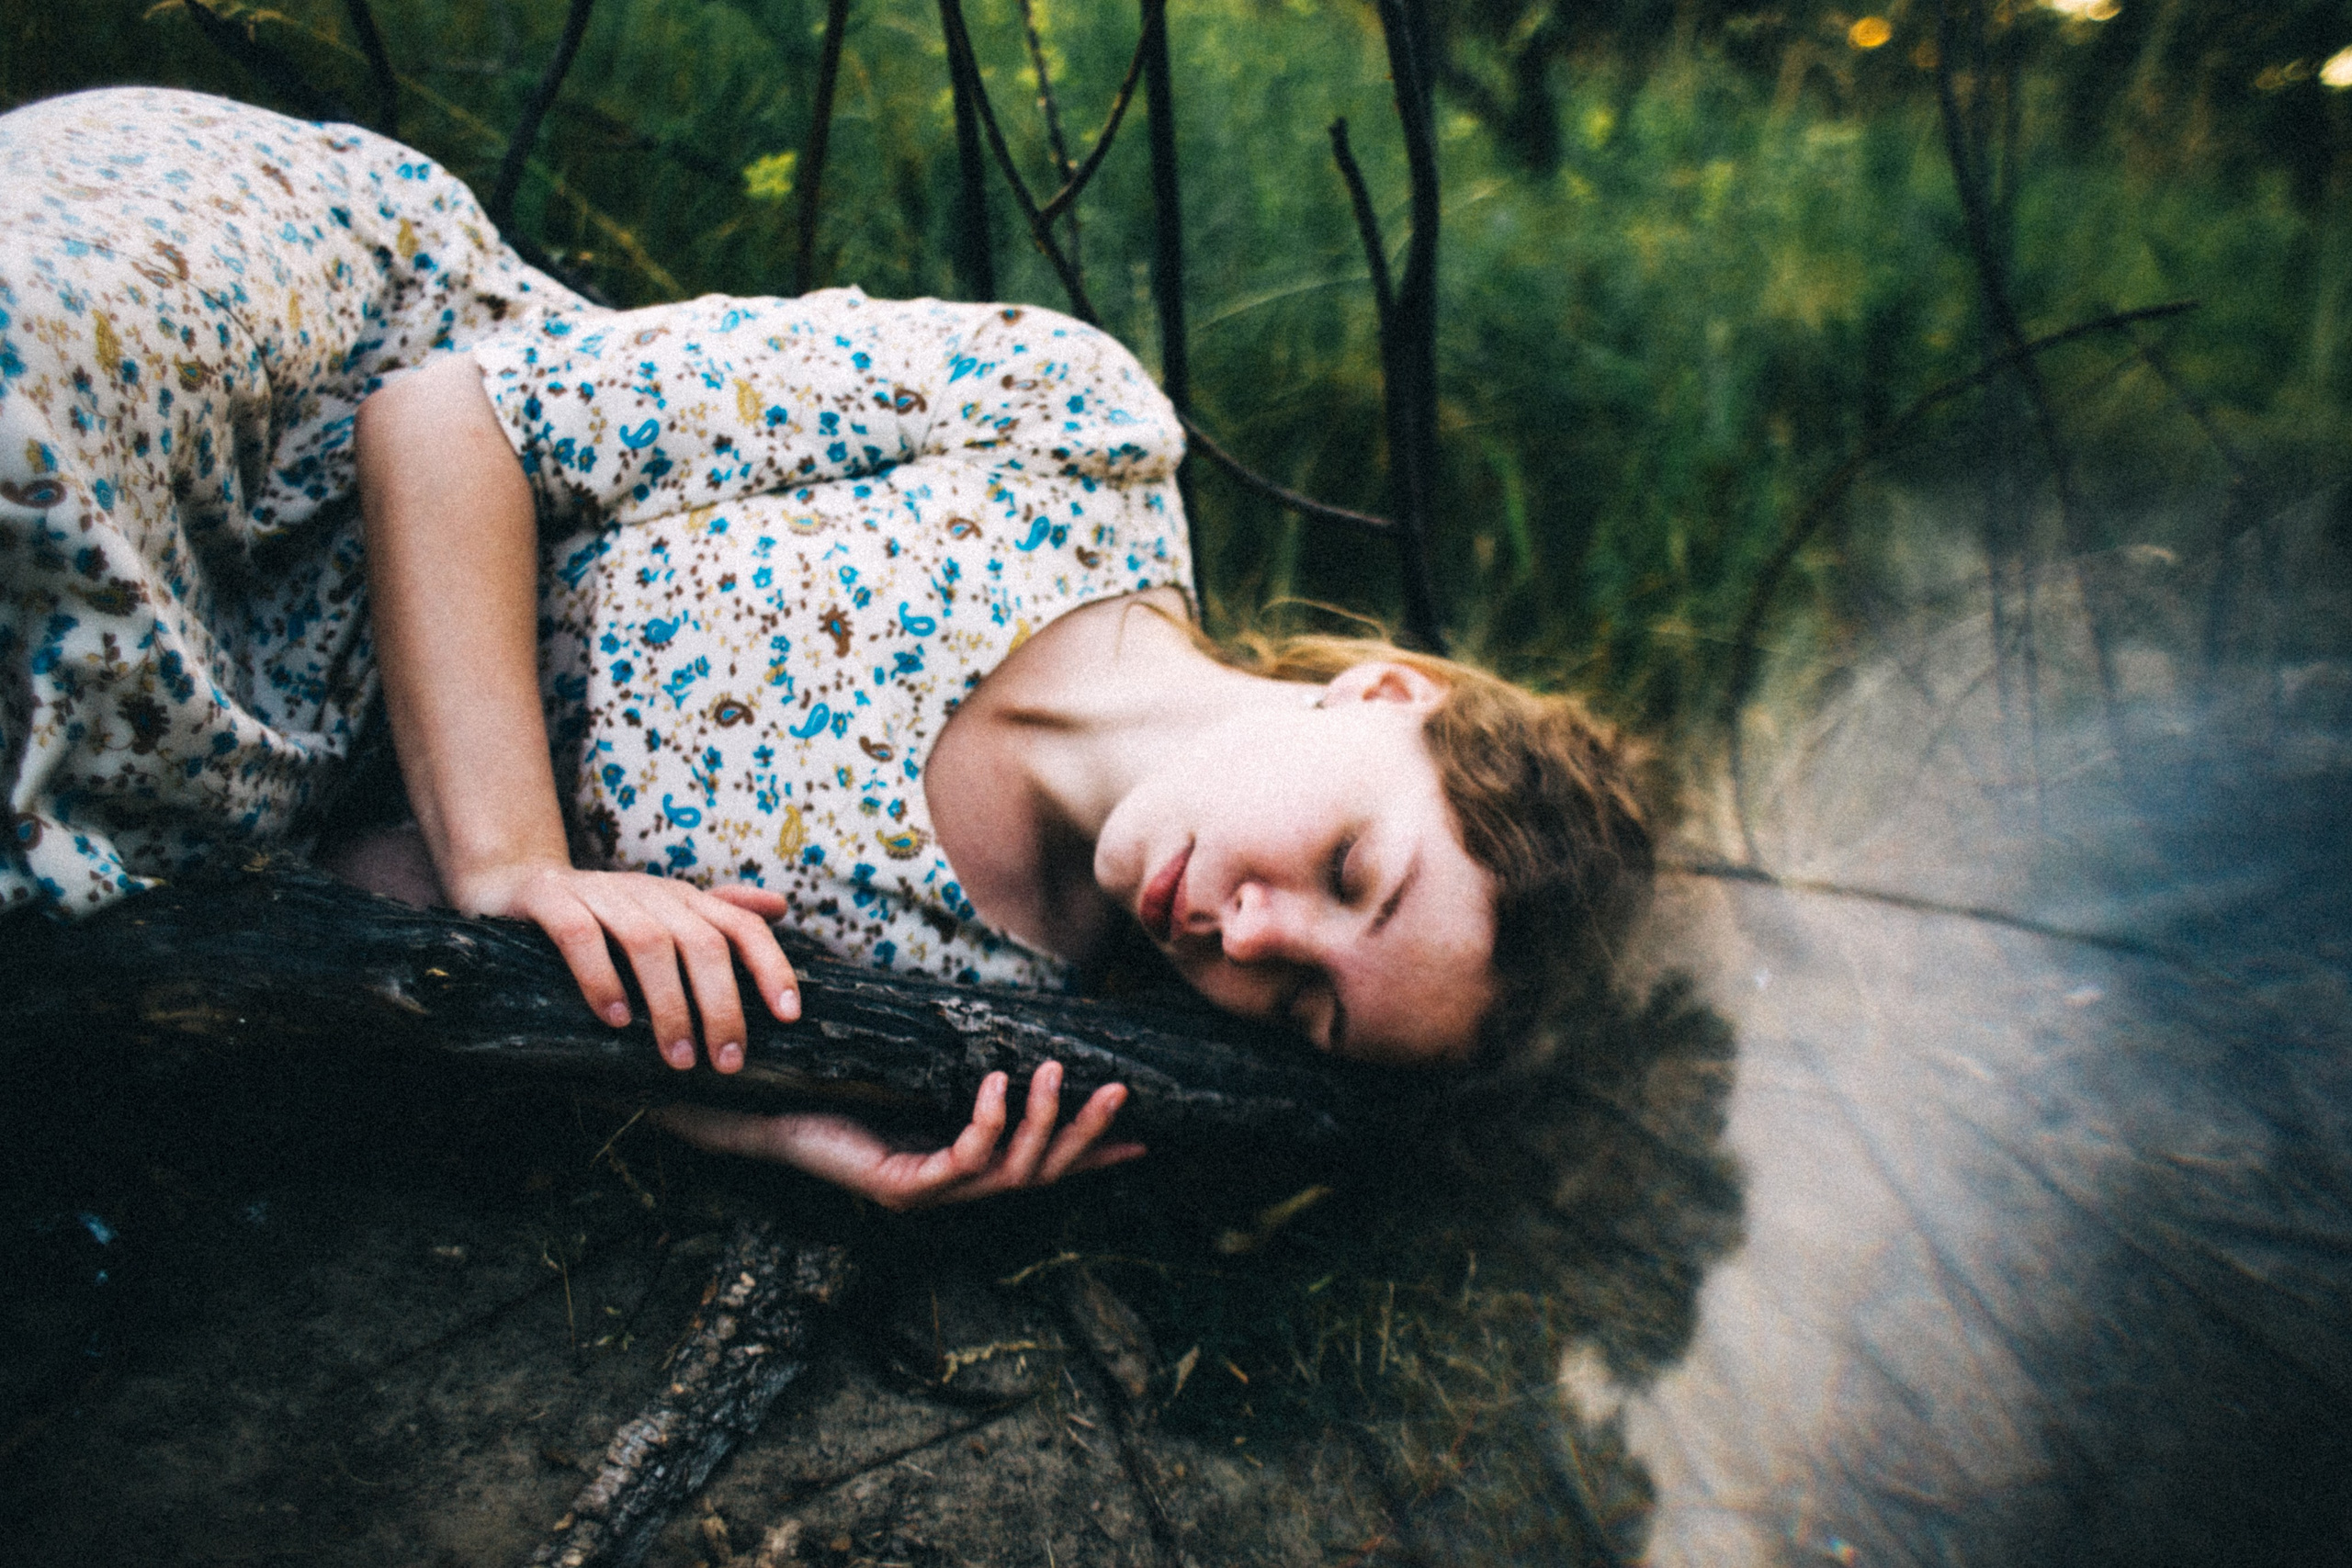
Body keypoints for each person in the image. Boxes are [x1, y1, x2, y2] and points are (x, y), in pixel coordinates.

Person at [1, 87, 1649, 1206]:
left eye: (1297, 1006)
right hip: (292, 370)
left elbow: (360, 893)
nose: (1248, 934)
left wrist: (761, 1124)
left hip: (237, 735)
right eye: (1352, 870)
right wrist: (520, 864)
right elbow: (445, 419)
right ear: (1385, 692)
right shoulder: (1068, 434)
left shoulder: (976, 991)